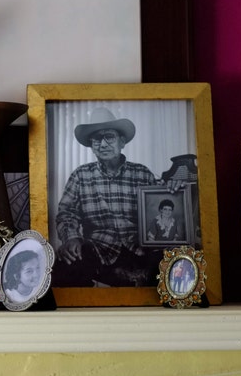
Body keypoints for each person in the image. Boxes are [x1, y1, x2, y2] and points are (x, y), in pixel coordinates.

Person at [54, 106, 179, 287]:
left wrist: (173, 189)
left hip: (141, 251)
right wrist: (72, 237)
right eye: (97, 138)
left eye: (109, 137)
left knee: (177, 262)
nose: (103, 144)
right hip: (98, 249)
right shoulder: (80, 175)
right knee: (65, 263)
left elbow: (161, 202)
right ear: (92, 145)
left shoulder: (142, 173)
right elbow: (66, 213)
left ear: (122, 142)